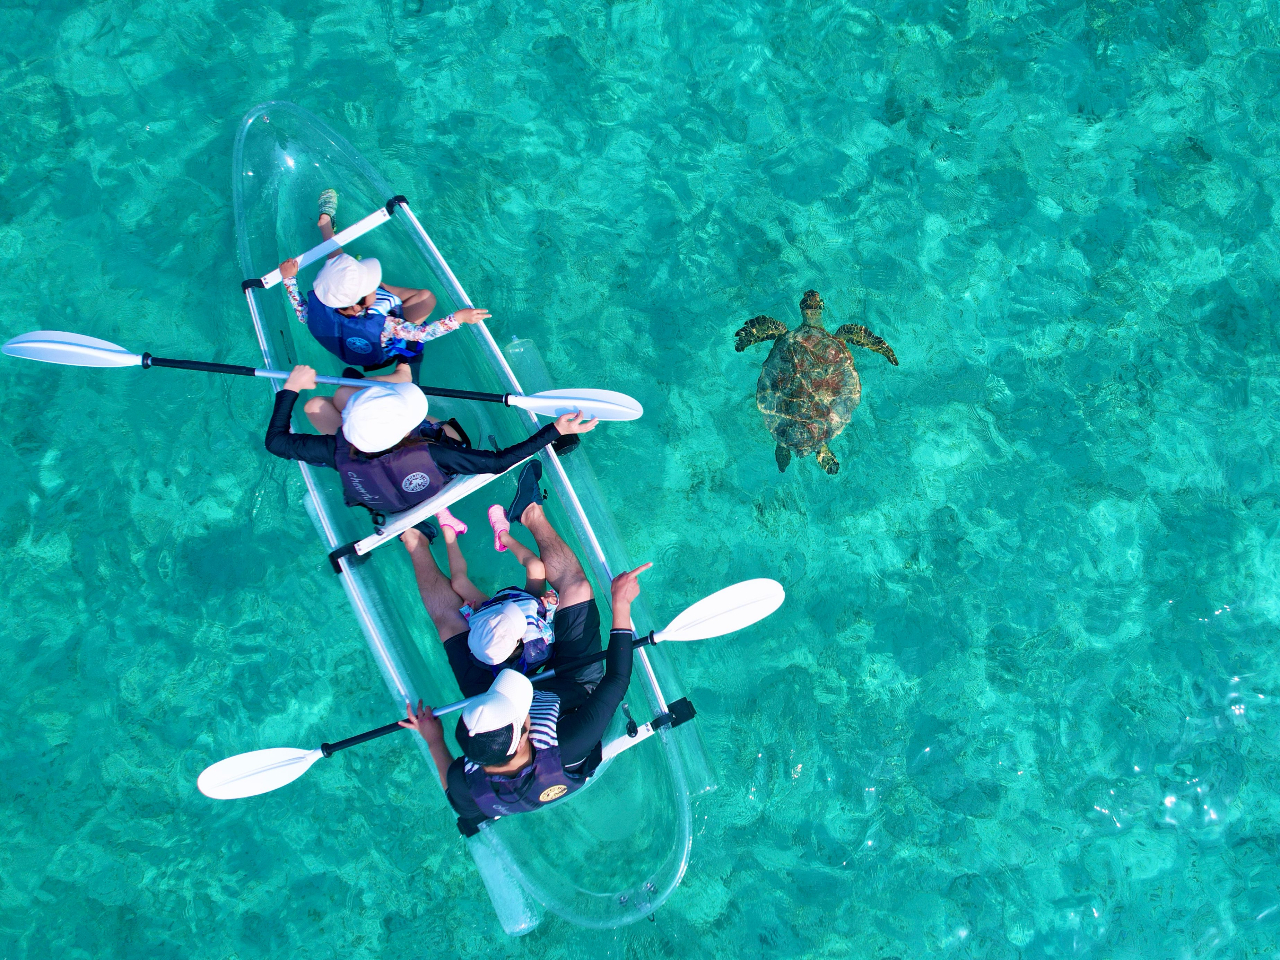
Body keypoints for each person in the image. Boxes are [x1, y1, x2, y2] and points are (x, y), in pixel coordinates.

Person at [399, 562, 650, 833]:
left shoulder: (466, 786)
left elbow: (454, 791)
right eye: (518, 708)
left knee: (449, 624)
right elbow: (616, 680)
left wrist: (433, 739)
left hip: (504, 722)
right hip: (572, 691)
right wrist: (621, 604)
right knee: (576, 587)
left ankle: (416, 545)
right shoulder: (570, 743)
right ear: (521, 741)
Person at [398, 465, 610, 709]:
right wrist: (550, 606)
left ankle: (433, 533)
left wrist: (548, 606)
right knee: (533, 572)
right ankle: (499, 528)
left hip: (499, 615)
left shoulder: (485, 636)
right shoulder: (533, 646)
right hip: (516, 612)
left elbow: (483, 620)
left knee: (453, 608)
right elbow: (546, 627)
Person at [264, 363, 597, 516]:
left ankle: (388, 379)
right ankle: (402, 373)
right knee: (344, 393)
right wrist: (555, 431)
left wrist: (291, 387)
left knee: (318, 404)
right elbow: (498, 463)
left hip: (385, 502)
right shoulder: (433, 453)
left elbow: (276, 442)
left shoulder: (335, 448)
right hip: (429, 480)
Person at [277, 189, 488, 372]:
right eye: (370, 288)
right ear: (359, 303)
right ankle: (326, 227)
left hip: (347, 341)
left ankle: (326, 225)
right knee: (426, 298)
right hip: (378, 349)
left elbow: (302, 312)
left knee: (340, 271)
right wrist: (459, 318)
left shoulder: (321, 307)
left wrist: (288, 278)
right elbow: (422, 334)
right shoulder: (388, 325)